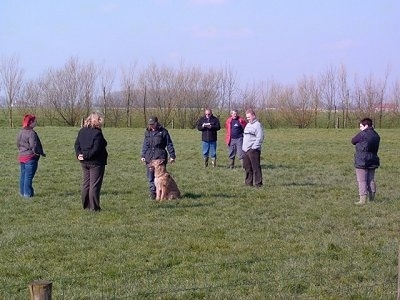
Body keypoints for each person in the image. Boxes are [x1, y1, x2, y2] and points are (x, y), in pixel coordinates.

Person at [74, 112, 108, 211]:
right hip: (96, 162)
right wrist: (86, 155)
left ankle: (86, 205)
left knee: (86, 183)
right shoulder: (97, 133)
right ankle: (94, 207)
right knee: (94, 185)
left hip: (84, 162)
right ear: (97, 121)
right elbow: (96, 149)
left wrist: (79, 154)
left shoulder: (82, 131)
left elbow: (77, 145)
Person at [141, 116, 176, 200]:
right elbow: (145, 144)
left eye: (153, 124)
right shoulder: (147, 132)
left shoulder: (163, 132)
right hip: (149, 157)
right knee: (151, 178)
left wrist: (172, 155)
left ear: (156, 123)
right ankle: (153, 194)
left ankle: (163, 195)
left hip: (160, 158)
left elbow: (169, 144)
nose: (151, 126)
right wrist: (143, 155)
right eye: (150, 124)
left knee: (162, 178)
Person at [351, 117, 380, 205]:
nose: (360, 128)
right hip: (373, 159)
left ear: (366, 125)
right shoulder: (376, 135)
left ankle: (362, 200)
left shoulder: (362, 134)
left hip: (362, 161)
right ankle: (372, 199)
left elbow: (353, 141)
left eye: (361, 126)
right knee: (371, 179)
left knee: (362, 180)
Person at [17, 114, 46, 198]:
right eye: (35, 121)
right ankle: (28, 194)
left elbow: (18, 144)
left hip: (22, 156)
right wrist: (37, 153)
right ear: (31, 122)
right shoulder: (31, 133)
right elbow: (34, 146)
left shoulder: (21, 131)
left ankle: (22, 192)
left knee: (23, 175)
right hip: (30, 157)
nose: (36, 122)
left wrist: (22, 150)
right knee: (28, 177)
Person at [242, 109, 264, 187]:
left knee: (256, 168)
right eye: (247, 117)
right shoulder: (248, 125)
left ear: (253, 116)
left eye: (249, 117)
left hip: (253, 150)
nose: (248, 119)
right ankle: (248, 183)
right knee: (247, 168)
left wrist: (254, 148)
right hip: (245, 150)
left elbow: (260, 137)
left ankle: (258, 184)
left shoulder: (258, 125)